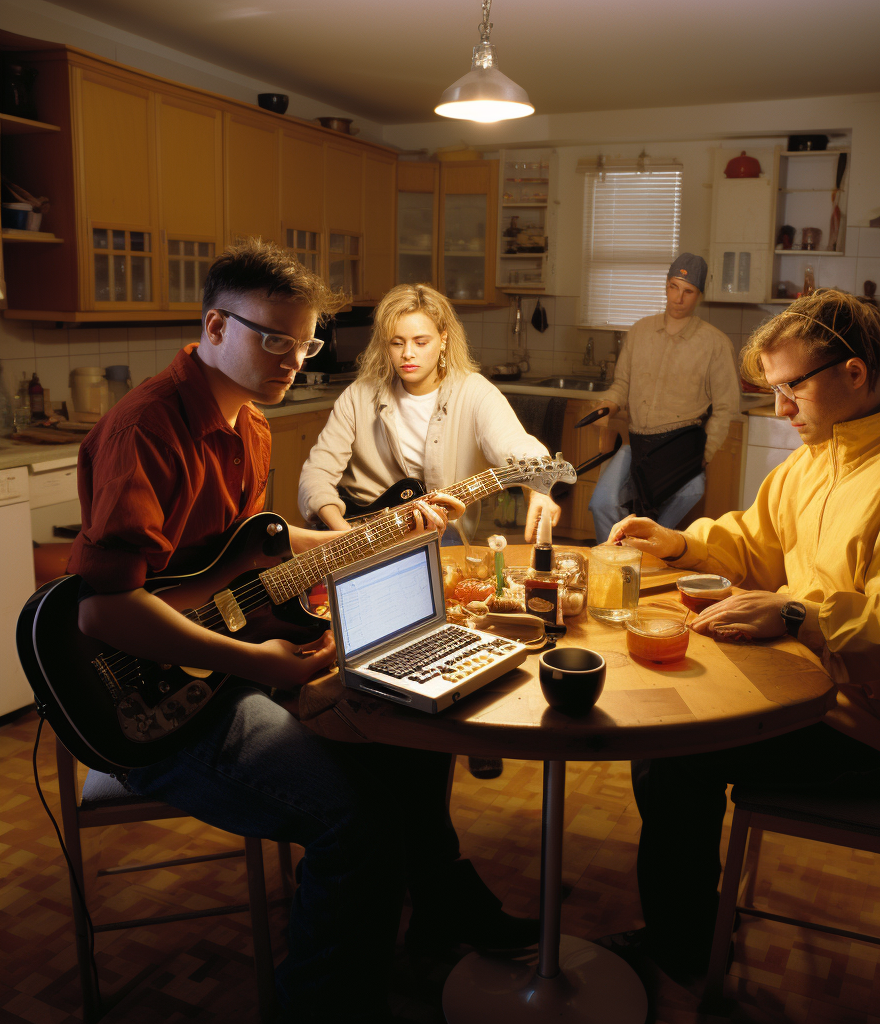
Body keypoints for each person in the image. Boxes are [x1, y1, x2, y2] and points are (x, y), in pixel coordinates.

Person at [67, 240, 536, 1024]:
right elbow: (103, 611)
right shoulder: (146, 427)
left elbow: (254, 555)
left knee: (410, 738)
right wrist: (262, 662)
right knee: (358, 824)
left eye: (307, 341)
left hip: (225, 665)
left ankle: (439, 917)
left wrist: (381, 531)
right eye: (275, 339)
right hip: (156, 705)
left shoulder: (247, 424)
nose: (294, 360)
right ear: (216, 327)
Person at [600, 288, 880, 985]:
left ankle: (685, 950)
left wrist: (791, 617)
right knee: (679, 725)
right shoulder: (819, 458)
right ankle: (697, 921)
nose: (780, 409)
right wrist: (678, 544)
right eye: (775, 390)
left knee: (675, 755)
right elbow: (752, 542)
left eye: (792, 389)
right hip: (821, 696)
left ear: (852, 374)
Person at [298, 282, 561, 543]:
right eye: (397, 343)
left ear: (443, 339)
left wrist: (539, 489)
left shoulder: (475, 392)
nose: (408, 354)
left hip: (440, 533)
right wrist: (344, 536)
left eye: (421, 342)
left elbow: (516, 445)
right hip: (360, 530)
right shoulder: (359, 396)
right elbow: (316, 474)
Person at [587, 253, 740, 541]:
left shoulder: (715, 344)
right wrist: (609, 403)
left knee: (688, 493)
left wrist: (704, 456)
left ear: (698, 296)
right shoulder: (640, 331)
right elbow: (622, 383)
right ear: (666, 285)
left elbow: (725, 409)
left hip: (680, 450)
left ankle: (646, 552)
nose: (678, 298)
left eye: (688, 291)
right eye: (673, 287)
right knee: (602, 503)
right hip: (639, 446)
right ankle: (615, 560)